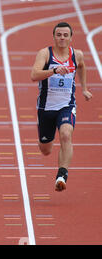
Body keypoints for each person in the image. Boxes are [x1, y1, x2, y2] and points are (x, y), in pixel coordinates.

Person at [30, 22, 92, 192]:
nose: (62, 38)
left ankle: (61, 175)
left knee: (66, 134)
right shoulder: (45, 54)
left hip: (66, 105)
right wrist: (54, 71)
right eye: (59, 35)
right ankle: (45, 138)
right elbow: (34, 75)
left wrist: (84, 88)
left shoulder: (76, 55)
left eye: (65, 35)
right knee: (45, 150)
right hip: (46, 108)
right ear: (54, 36)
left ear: (71, 37)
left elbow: (82, 67)